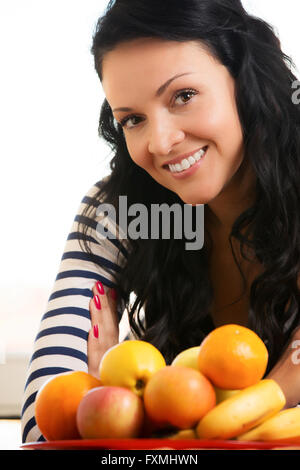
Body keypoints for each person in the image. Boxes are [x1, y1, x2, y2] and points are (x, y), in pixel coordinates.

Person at [21, 0, 300, 443]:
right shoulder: (118, 211)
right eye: (132, 119)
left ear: (246, 83)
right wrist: (110, 406)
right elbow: (45, 421)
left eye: (183, 96)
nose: (161, 141)